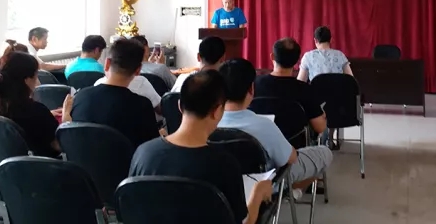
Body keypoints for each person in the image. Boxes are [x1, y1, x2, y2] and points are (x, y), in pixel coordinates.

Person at [130, 70, 272, 224]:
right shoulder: (225, 165)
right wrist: (258, 193)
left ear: (179, 106)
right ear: (217, 111)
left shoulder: (143, 153)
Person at [218, 58, 332, 198]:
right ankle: (288, 191)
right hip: (261, 186)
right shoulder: (264, 125)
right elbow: (291, 158)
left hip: (221, 185)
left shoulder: (208, 124)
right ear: (251, 89)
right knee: (324, 153)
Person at [71, 38, 159, 148]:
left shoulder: (81, 97)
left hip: (83, 158)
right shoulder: (142, 105)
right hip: (127, 159)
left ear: (107, 63)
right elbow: (150, 148)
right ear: (138, 70)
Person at [0, 51, 72, 157]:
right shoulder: (36, 111)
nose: (38, 82)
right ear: (27, 80)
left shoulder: (3, 108)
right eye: (36, 76)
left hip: (7, 165)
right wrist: (66, 119)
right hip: (45, 165)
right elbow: (60, 145)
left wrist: (47, 114)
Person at [255, 38, 327, 135]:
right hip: (293, 143)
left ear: (272, 56)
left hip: (257, 142)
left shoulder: (254, 85)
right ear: (297, 61)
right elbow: (320, 127)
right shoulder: (305, 90)